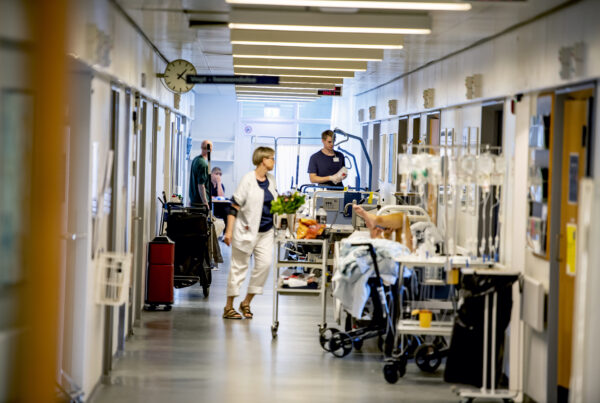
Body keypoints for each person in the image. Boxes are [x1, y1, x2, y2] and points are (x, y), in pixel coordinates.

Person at [222, 147, 277, 319]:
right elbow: (234, 207)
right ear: (263, 160)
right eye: (272, 158)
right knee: (238, 268)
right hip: (245, 230)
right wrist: (228, 232)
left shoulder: (271, 180)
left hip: (266, 232)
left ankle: (246, 302)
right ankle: (228, 307)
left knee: (264, 265)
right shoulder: (248, 179)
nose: (274, 161)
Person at [188, 140, 213, 207]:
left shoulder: (195, 160)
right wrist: (205, 203)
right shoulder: (203, 164)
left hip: (194, 201)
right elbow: (201, 185)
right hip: (200, 203)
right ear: (210, 150)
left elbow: (194, 181)